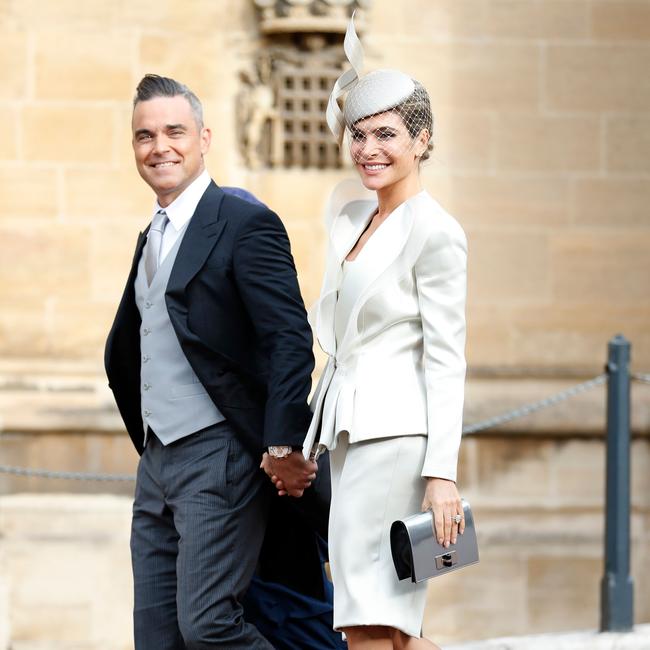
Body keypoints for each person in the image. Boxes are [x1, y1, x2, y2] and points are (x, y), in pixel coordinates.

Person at [268, 19, 468, 650]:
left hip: (397, 442)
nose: (368, 149)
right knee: (384, 624)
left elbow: (446, 357)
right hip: (351, 438)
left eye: (386, 134)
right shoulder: (354, 217)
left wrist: (442, 474)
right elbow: (343, 350)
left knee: (365, 616)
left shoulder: (436, 231)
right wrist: (307, 437)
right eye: (359, 134)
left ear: (422, 139)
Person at [104, 73, 321, 649]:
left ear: (204, 137)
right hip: (156, 458)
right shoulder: (151, 235)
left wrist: (281, 442)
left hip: (219, 451)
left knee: (208, 627)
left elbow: (289, 339)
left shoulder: (244, 223)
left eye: (174, 131)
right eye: (145, 136)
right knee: (155, 638)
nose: (160, 147)